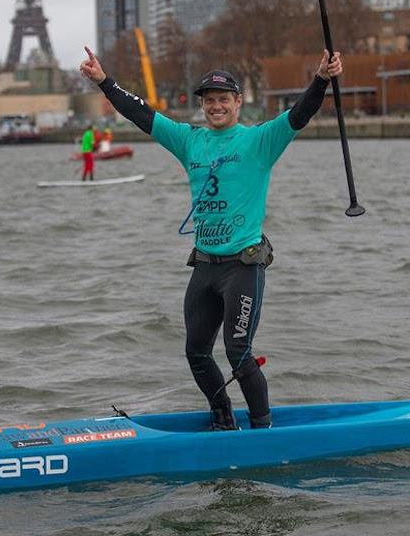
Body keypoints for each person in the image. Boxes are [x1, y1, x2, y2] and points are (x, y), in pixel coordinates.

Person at [79, 44, 342, 431]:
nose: (215, 106)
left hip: (243, 266)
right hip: (204, 267)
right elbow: (142, 115)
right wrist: (104, 82)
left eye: (223, 99)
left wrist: (321, 79)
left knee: (238, 352)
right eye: (209, 100)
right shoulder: (190, 141)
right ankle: (223, 420)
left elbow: (300, 113)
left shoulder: (259, 141)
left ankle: (263, 429)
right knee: (197, 353)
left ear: (237, 102)